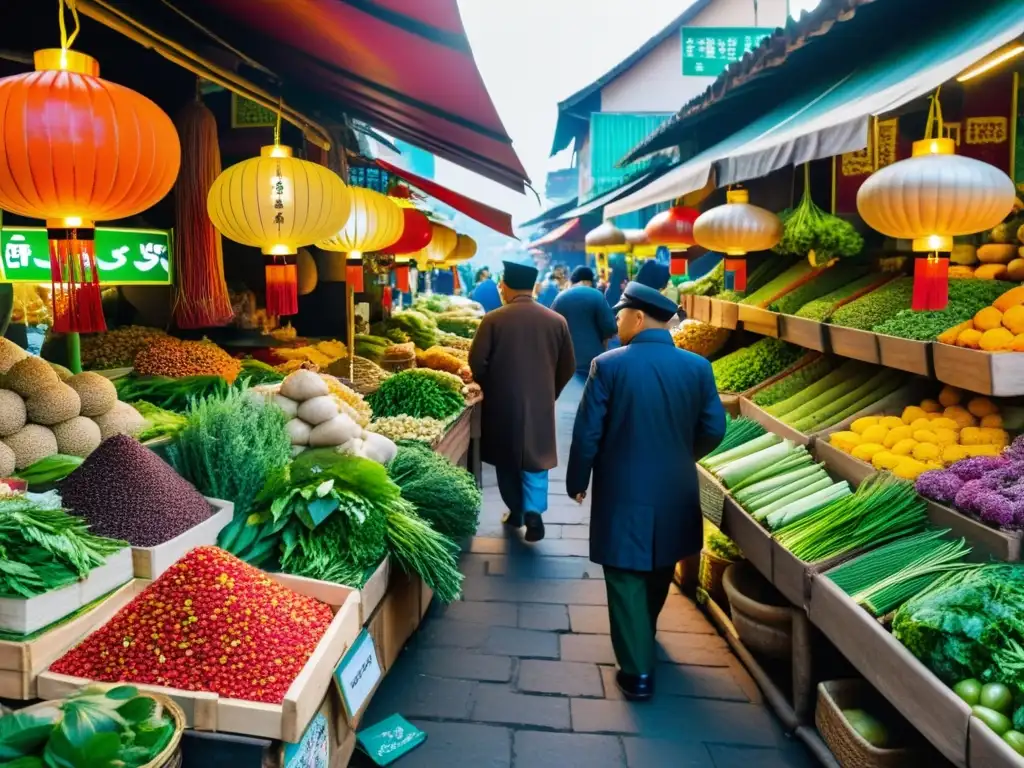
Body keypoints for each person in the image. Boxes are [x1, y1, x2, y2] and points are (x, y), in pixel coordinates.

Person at [566, 281, 726, 701]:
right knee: (658, 566)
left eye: (619, 316)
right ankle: (644, 633)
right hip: (676, 487)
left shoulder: (609, 365)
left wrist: (577, 480)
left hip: (623, 488)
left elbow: (587, 434)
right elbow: (714, 429)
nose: (616, 323)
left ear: (638, 318)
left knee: (623, 574)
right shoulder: (697, 367)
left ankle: (636, 672)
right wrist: (681, 453)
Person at [470, 261, 576, 542]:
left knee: (507, 460)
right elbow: (568, 366)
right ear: (533, 287)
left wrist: (490, 386)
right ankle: (533, 512)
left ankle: (516, 509)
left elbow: (476, 363)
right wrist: (548, 391)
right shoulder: (556, 321)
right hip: (540, 402)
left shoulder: (493, 319)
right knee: (535, 459)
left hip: (502, 403)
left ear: (505, 286)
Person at [551, 266, 617, 380]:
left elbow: (551, 331)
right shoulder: (597, 296)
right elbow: (611, 328)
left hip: (566, 363)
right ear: (591, 281)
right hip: (594, 361)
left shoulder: (560, 298)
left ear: (572, 281)